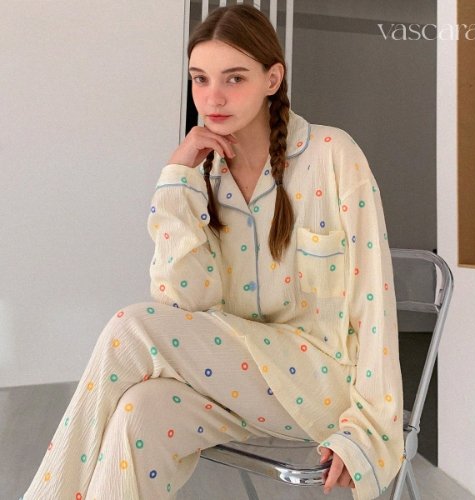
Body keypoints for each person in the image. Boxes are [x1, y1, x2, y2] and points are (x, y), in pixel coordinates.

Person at [21, 4, 404, 500]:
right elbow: (186, 304)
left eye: (234, 78)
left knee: (129, 328)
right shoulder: (206, 175)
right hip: (238, 384)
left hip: (322, 386)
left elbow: (374, 302)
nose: (213, 97)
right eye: (200, 79)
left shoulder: (333, 155)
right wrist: (177, 179)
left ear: (272, 79)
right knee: (140, 412)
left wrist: (368, 429)